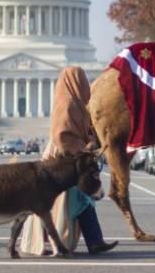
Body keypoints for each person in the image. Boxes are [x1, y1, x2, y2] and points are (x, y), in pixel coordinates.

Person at [18, 66, 117, 256]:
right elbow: (61, 135)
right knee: (72, 202)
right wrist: (83, 147)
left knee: (78, 202)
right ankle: (83, 241)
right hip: (64, 160)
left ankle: (94, 241)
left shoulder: (78, 104)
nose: (86, 84)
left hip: (74, 159)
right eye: (82, 80)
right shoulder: (68, 104)